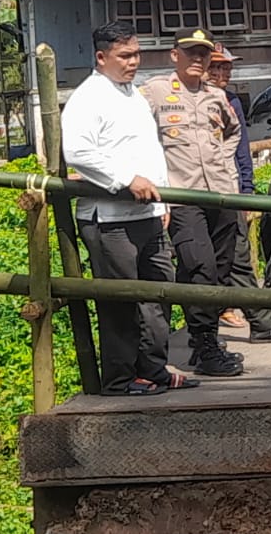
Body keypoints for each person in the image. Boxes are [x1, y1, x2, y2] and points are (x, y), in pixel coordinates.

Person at [62, 21, 198, 395]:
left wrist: (163, 199)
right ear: (102, 57)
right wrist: (125, 179)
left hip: (149, 214)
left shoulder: (134, 96)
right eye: (124, 56)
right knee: (120, 302)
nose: (133, 62)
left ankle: (152, 370)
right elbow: (78, 152)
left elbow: (150, 151)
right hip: (109, 220)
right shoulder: (88, 98)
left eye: (136, 54)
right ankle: (120, 380)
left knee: (158, 295)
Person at [140, 28, 246, 377]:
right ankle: (203, 344)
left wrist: (227, 169)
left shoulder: (216, 96)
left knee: (219, 269)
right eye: (191, 53)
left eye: (204, 54)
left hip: (220, 193)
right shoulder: (156, 91)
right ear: (175, 55)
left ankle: (206, 343)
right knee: (199, 267)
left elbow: (233, 131)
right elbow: (135, 132)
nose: (199, 60)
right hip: (183, 197)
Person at [206, 44, 271, 344]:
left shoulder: (232, 100)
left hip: (230, 192)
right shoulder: (186, 100)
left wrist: (246, 191)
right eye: (217, 67)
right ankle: (206, 333)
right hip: (196, 194)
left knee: (237, 257)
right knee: (201, 263)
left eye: (227, 67)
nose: (224, 72)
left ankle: (258, 324)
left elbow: (241, 153)